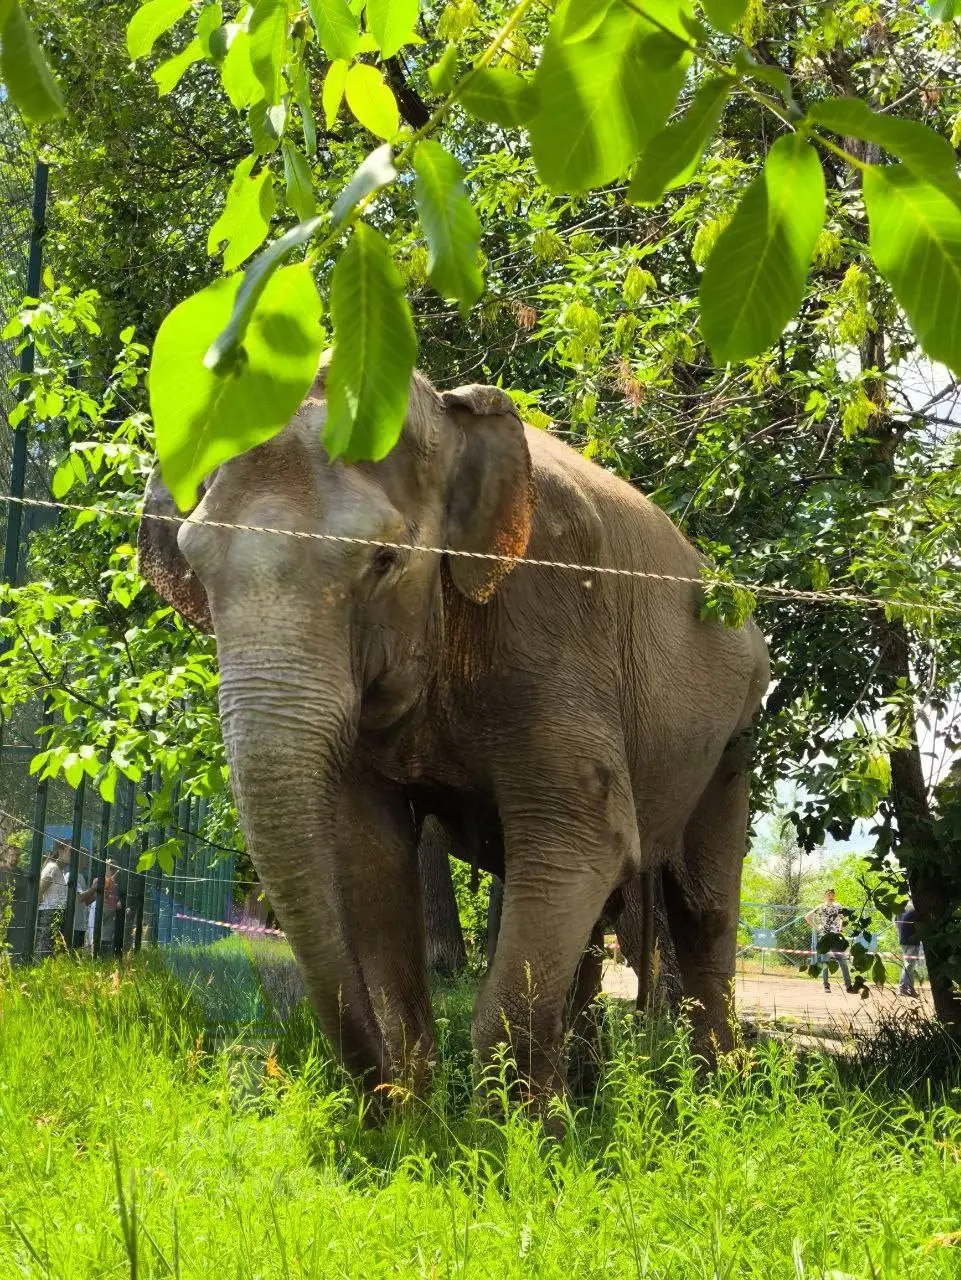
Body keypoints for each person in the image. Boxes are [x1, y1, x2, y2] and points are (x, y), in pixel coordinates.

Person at [805, 888, 855, 993]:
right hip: (825, 937)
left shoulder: (838, 906)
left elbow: (842, 918)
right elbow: (807, 917)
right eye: (829, 895)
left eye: (832, 895)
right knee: (825, 962)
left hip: (836, 937)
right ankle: (826, 986)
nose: (831, 897)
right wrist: (817, 927)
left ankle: (848, 986)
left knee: (842, 961)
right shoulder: (820, 907)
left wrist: (840, 928)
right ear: (825, 896)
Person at [37, 840, 71, 956]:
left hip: (57, 913)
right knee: (45, 950)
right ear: (60, 851)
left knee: (54, 952)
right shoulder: (52, 868)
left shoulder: (59, 870)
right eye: (70, 851)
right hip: (48, 914)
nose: (73, 855)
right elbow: (39, 891)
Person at [86, 860, 119, 954]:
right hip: (98, 925)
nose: (112, 871)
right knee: (95, 952)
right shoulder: (98, 881)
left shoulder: (115, 886)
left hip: (109, 930)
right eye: (109, 868)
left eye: (114, 869)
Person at [896, 901, 922, 998]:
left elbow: (896, 922)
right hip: (911, 942)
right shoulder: (917, 913)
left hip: (905, 941)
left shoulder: (908, 911)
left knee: (910, 965)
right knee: (909, 964)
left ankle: (910, 988)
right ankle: (903, 987)